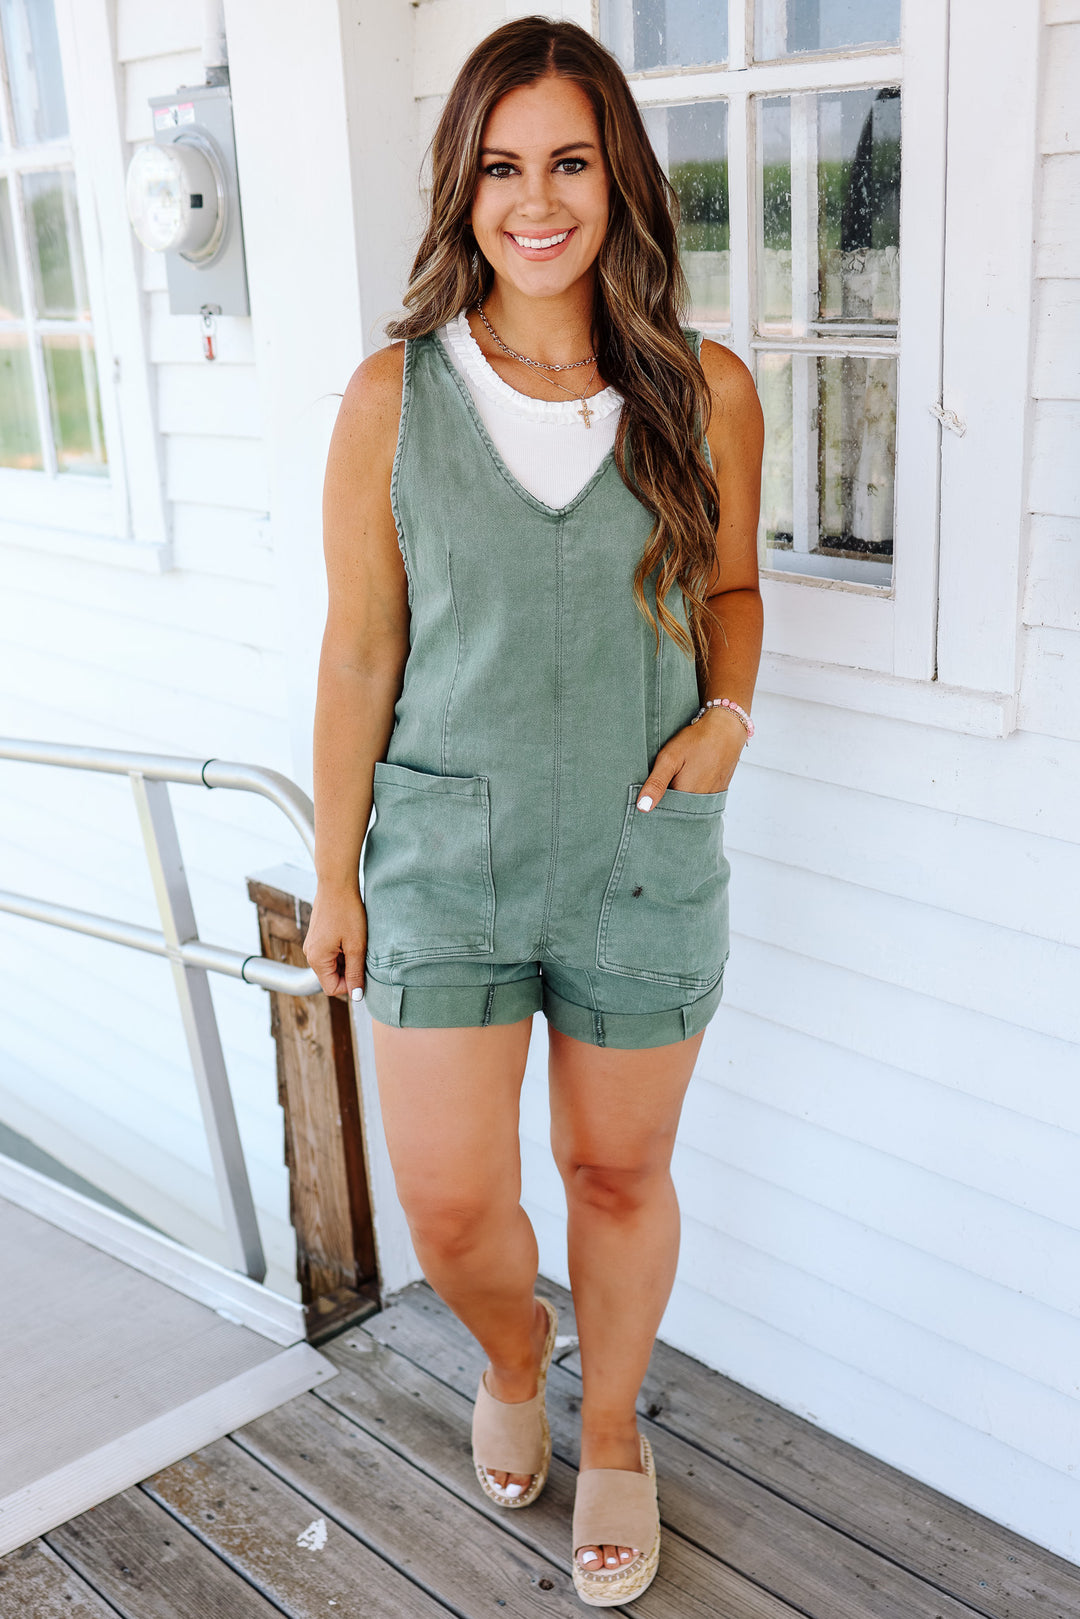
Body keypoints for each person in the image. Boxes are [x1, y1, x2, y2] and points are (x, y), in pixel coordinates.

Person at [305, 15, 763, 1606]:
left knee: (615, 1178)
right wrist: (336, 874)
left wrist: (727, 717)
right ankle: (517, 1349)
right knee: (450, 1205)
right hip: (444, 858)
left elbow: (733, 592)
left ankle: (615, 1428)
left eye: (569, 160)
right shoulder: (394, 397)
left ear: (617, 177)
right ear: (465, 190)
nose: (537, 199)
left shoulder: (703, 388)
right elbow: (362, 650)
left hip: (640, 849)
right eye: (502, 168)